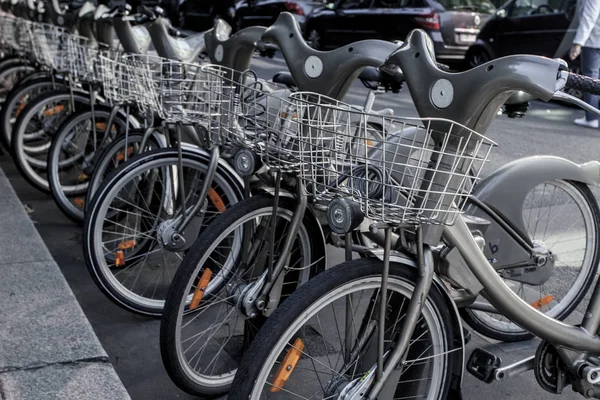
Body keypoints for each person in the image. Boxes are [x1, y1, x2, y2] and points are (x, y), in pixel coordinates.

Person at [571, 0, 600, 128]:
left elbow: (589, 17)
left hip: (593, 41)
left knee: (590, 79)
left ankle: (591, 118)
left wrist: (578, 43)